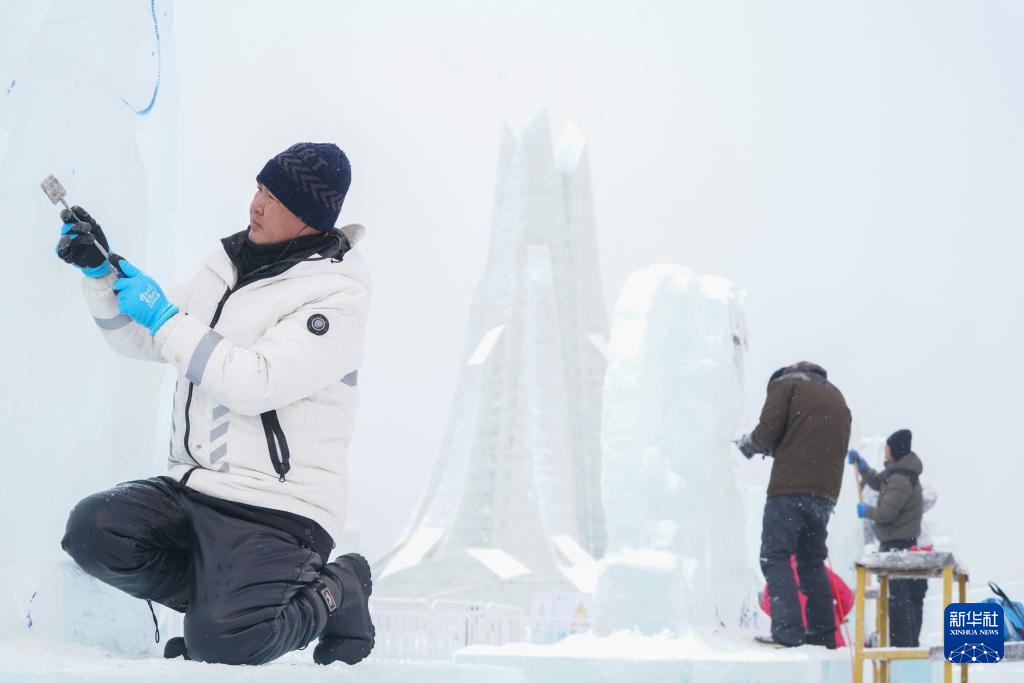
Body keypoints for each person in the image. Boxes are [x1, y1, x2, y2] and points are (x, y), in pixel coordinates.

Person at [56, 142, 374, 666]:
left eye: (275, 199)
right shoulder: (225, 266)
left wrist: (165, 317)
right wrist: (102, 276)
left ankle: (340, 586)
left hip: (279, 509)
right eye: (259, 189)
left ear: (312, 218)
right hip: (195, 489)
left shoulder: (335, 297)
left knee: (226, 645)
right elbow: (142, 338)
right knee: (94, 533)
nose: (256, 205)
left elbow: (254, 381)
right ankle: (223, 609)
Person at [736, 361, 852, 648]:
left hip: (789, 490)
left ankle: (787, 631)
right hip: (824, 495)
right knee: (811, 562)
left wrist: (749, 445)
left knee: (775, 555)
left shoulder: (786, 384)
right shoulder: (837, 396)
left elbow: (768, 429)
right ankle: (822, 634)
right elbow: (812, 442)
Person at [848, 429, 927, 647]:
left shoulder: (901, 479)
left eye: (887, 447)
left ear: (895, 450)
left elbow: (886, 514)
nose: (885, 450)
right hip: (898, 545)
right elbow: (879, 482)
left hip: (898, 548)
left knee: (899, 599)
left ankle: (903, 646)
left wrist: (866, 511)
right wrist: (863, 467)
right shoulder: (898, 473)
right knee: (901, 598)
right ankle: (905, 643)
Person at [759, 556, 854, 647]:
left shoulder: (778, 574)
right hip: (829, 639)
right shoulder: (820, 570)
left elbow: (766, 605)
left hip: (794, 642)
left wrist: (785, 620)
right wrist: (836, 616)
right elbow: (847, 596)